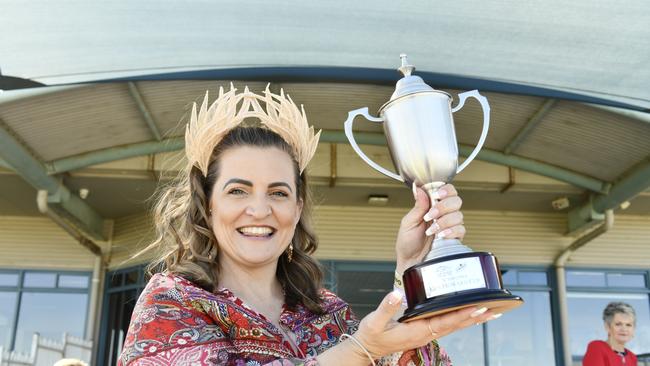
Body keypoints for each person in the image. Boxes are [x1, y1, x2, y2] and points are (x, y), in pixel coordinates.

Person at [118, 85, 498, 365]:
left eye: (278, 193)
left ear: (297, 209)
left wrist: (410, 273)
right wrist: (360, 349)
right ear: (208, 204)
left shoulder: (325, 311)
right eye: (238, 191)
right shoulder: (171, 300)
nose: (260, 209)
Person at [583, 302, 637, 366]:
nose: (624, 329)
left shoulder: (632, 357)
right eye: (618, 324)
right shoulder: (597, 348)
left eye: (628, 325)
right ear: (607, 327)